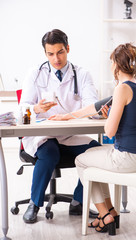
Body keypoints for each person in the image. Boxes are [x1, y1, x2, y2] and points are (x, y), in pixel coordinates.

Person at [50, 43, 136, 235]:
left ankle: (104, 214)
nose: (111, 66)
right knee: (92, 156)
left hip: (125, 158)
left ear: (117, 65)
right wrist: (68, 116)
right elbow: (95, 107)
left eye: (112, 62)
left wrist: (109, 117)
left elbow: (109, 132)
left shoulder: (122, 89)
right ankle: (111, 210)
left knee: (81, 161)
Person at [20, 29, 101, 224]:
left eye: (60, 52)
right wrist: (36, 108)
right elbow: (23, 107)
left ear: (68, 49)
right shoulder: (35, 73)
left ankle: (78, 202)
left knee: (96, 152)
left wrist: (72, 115)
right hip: (43, 136)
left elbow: (92, 105)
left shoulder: (81, 74)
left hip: (69, 135)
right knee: (50, 153)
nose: (56, 58)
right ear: (45, 53)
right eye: (50, 53)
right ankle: (35, 203)